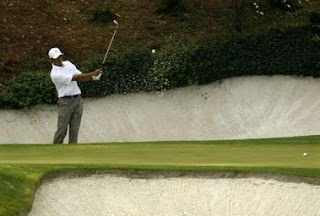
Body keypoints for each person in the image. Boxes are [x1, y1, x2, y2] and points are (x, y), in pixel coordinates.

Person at [48, 47, 102, 144]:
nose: (60, 59)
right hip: (65, 102)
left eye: (60, 56)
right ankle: (55, 150)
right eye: (57, 58)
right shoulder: (55, 74)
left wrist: (93, 77)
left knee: (74, 129)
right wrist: (92, 74)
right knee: (62, 130)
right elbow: (75, 78)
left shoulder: (68, 64)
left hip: (77, 99)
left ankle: (72, 151)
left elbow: (81, 77)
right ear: (52, 60)